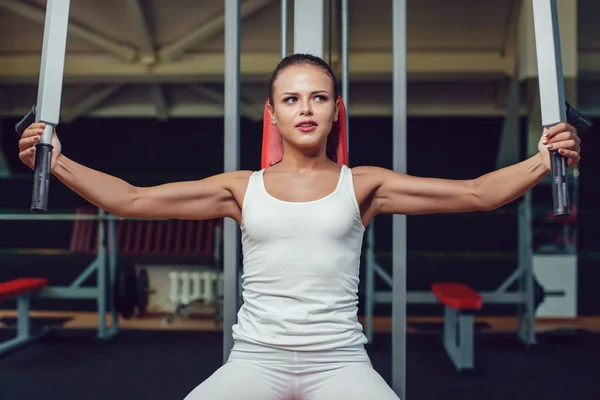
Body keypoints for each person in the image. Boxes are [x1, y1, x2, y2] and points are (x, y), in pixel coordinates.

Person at [18, 54, 581, 400]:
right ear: (273, 114)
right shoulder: (241, 188)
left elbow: (478, 195)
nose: (305, 108)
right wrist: (56, 160)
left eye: (318, 97)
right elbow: (132, 200)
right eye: (291, 98)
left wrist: (544, 157)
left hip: (339, 362)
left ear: (337, 109)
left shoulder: (365, 185)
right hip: (255, 360)